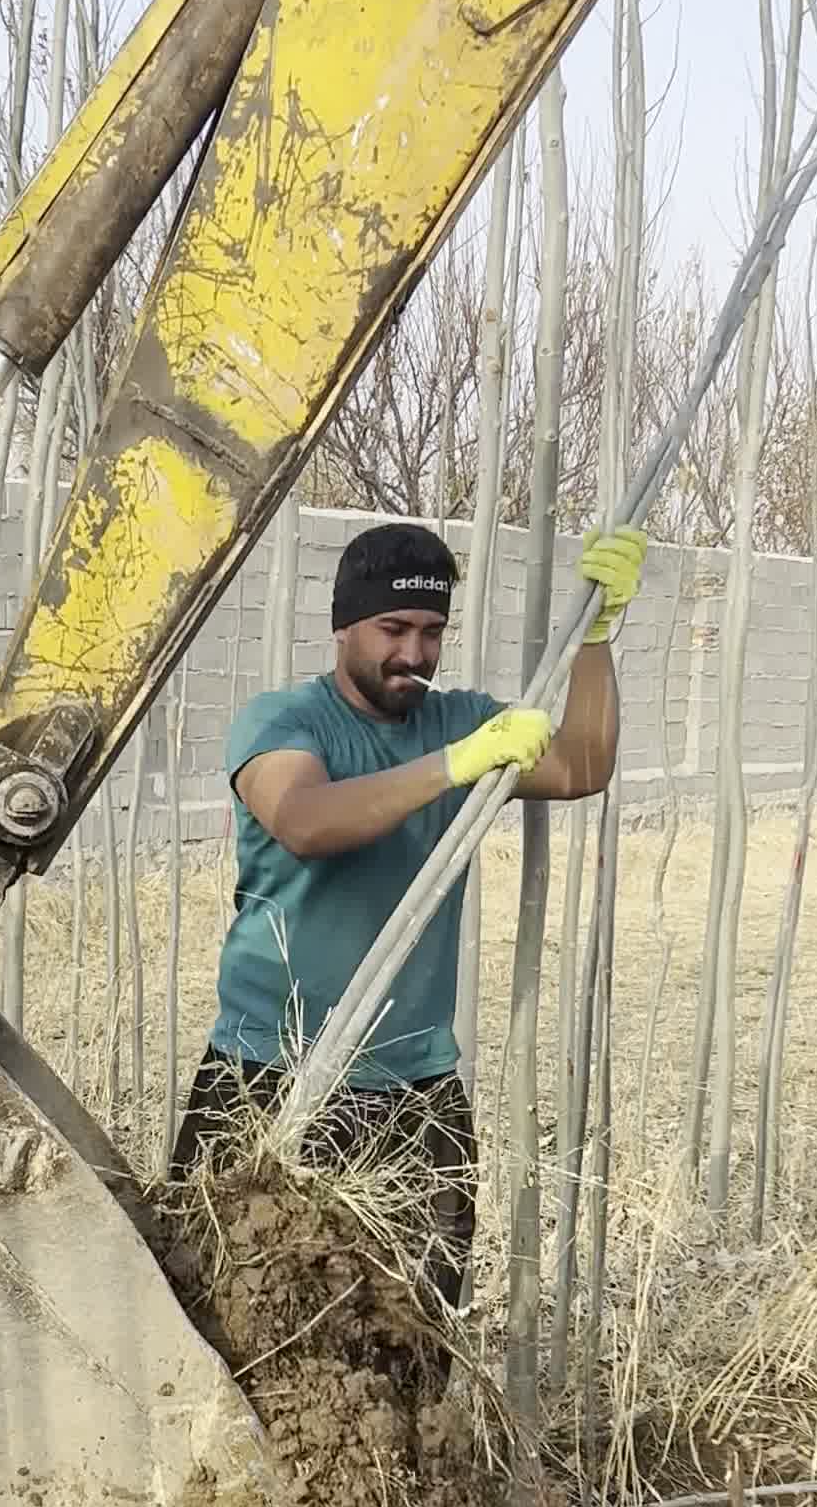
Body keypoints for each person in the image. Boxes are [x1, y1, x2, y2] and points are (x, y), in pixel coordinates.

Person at [171, 513, 644, 1332]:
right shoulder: (285, 721)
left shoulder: (454, 718)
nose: (414, 655)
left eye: (432, 632)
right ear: (345, 624)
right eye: (392, 628)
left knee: (418, 1331)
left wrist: (595, 639)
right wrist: (458, 765)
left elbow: (581, 766)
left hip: (412, 1084)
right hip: (267, 1073)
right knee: (226, 1315)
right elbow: (307, 820)